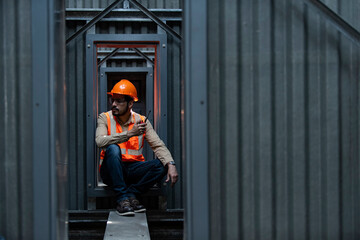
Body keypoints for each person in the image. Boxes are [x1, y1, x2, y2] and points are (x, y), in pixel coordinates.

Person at [95, 79, 179, 216]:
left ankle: (131, 194)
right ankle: (122, 200)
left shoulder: (141, 120)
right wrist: (129, 134)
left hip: (133, 170)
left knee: (162, 163)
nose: (114, 104)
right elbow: (99, 141)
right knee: (113, 149)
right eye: (112, 100)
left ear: (130, 103)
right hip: (111, 171)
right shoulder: (104, 118)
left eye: (119, 101)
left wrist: (171, 164)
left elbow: (157, 145)